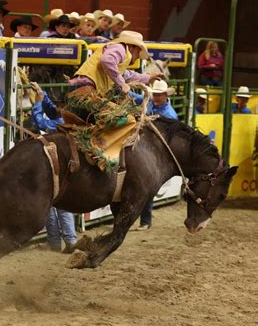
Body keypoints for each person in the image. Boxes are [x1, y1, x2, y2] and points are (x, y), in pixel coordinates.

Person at [29, 82, 77, 253]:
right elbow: (50, 107)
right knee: (62, 206)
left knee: (51, 206)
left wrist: (37, 103)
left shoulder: (59, 123)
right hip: (65, 164)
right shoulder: (68, 117)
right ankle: (69, 241)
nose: (55, 107)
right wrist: (41, 93)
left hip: (55, 165)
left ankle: (57, 243)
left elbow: (41, 123)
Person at [137, 80, 178, 230]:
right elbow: (138, 98)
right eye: (155, 94)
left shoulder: (169, 115)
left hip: (158, 152)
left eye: (159, 95)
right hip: (148, 147)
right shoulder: (152, 104)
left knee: (148, 185)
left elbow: (166, 139)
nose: (156, 97)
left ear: (166, 95)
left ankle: (146, 220)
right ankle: (145, 220)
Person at [71, 30, 162, 96]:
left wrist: (148, 78)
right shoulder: (120, 47)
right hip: (86, 86)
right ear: (132, 47)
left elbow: (128, 75)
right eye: (138, 53)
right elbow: (107, 60)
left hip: (84, 86)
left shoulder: (119, 56)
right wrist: (122, 84)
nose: (137, 59)